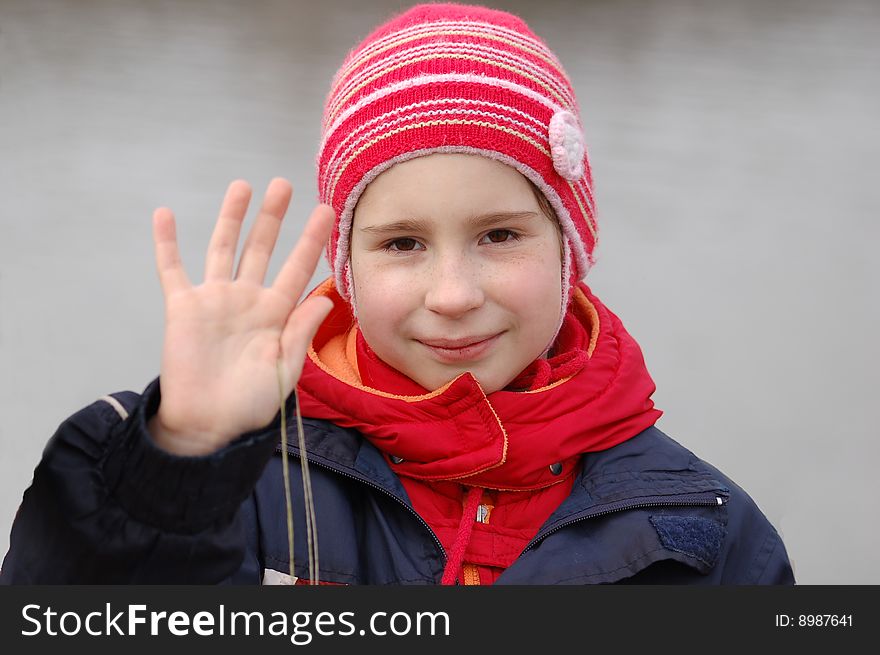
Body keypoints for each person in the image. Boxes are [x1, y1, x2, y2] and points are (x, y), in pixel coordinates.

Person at [1, 3, 793, 585]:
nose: (451, 294)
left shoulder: (701, 533)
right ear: (346, 264)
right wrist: (181, 460)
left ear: (571, 250)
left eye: (500, 235)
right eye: (403, 243)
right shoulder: (248, 485)